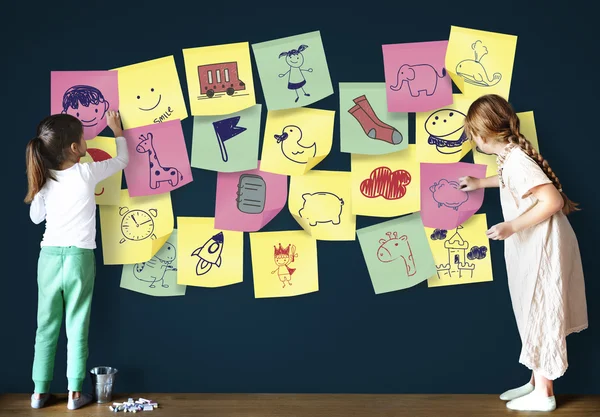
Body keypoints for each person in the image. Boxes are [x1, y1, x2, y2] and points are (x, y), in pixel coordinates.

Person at [459, 94, 588, 412]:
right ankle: (535, 381)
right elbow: (509, 182)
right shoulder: (509, 157)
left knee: (542, 311)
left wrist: (511, 226)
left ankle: (544, 393)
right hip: (534, 245)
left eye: (473, 133)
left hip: (543, 245)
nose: (473, 140)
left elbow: (552, 201)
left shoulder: (517, 159)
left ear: (485, 132)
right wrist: (480, 182)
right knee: (531, 310)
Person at [25, 111, 129, 410]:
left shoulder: (45, 179)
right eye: (84, 137)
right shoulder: (85, 172)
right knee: (77, 326)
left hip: (48, 258)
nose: (87, 141)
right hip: (79, 257)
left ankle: (39, 393)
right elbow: (122, 161)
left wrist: (38, 191)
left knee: (45, 327)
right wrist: (117, 130)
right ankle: (74, 394)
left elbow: (36, 219)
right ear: (75, 148)